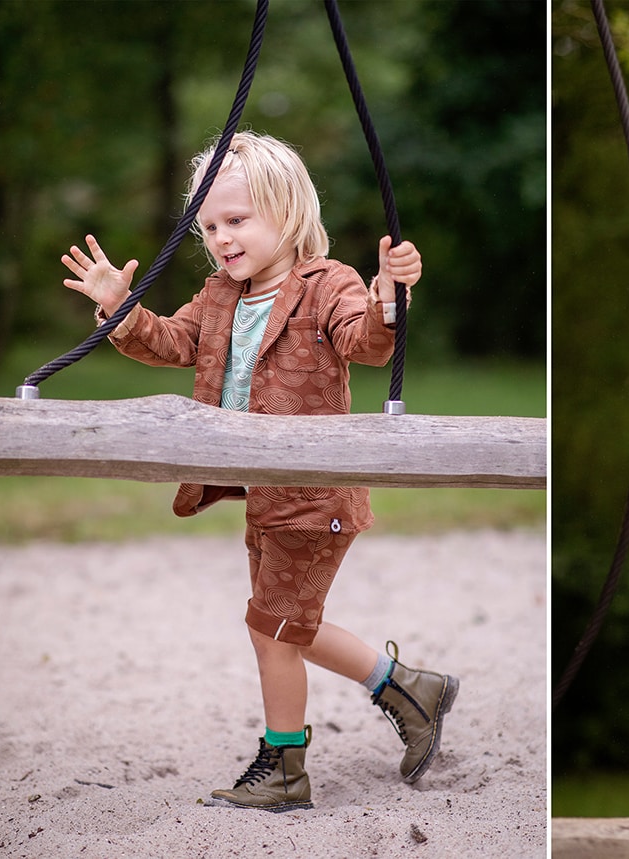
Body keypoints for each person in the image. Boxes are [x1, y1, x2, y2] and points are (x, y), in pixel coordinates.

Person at [61, 131, 459, 812]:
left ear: (289, 213)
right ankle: (410, 687)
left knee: (272, 625)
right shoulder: (219, 296)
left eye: (237, 220)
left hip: (316, 493)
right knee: (284, 622)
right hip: (263, 495)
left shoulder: (325, 283)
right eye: (210, 226)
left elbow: (364, 340)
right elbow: (174, 341)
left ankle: (285, 767)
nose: (221, 238)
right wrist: (119, 310)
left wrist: (390, 296)